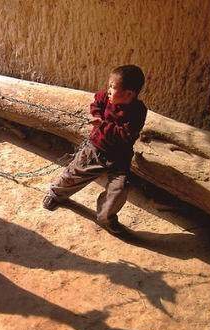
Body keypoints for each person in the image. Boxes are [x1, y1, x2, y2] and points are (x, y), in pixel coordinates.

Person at [42, 65, 147, 235]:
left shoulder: (138, 111)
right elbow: (96, 102)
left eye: (113, 87)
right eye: (109, 86)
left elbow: (124, 135)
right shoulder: (106, 97)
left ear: (129, 94)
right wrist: (97, 116)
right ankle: (56, 194)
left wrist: (103, 125)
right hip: (95, 149)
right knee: (73, 175)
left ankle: (106, 217)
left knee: (119, 190)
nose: (109, 90)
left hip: (119, 158)